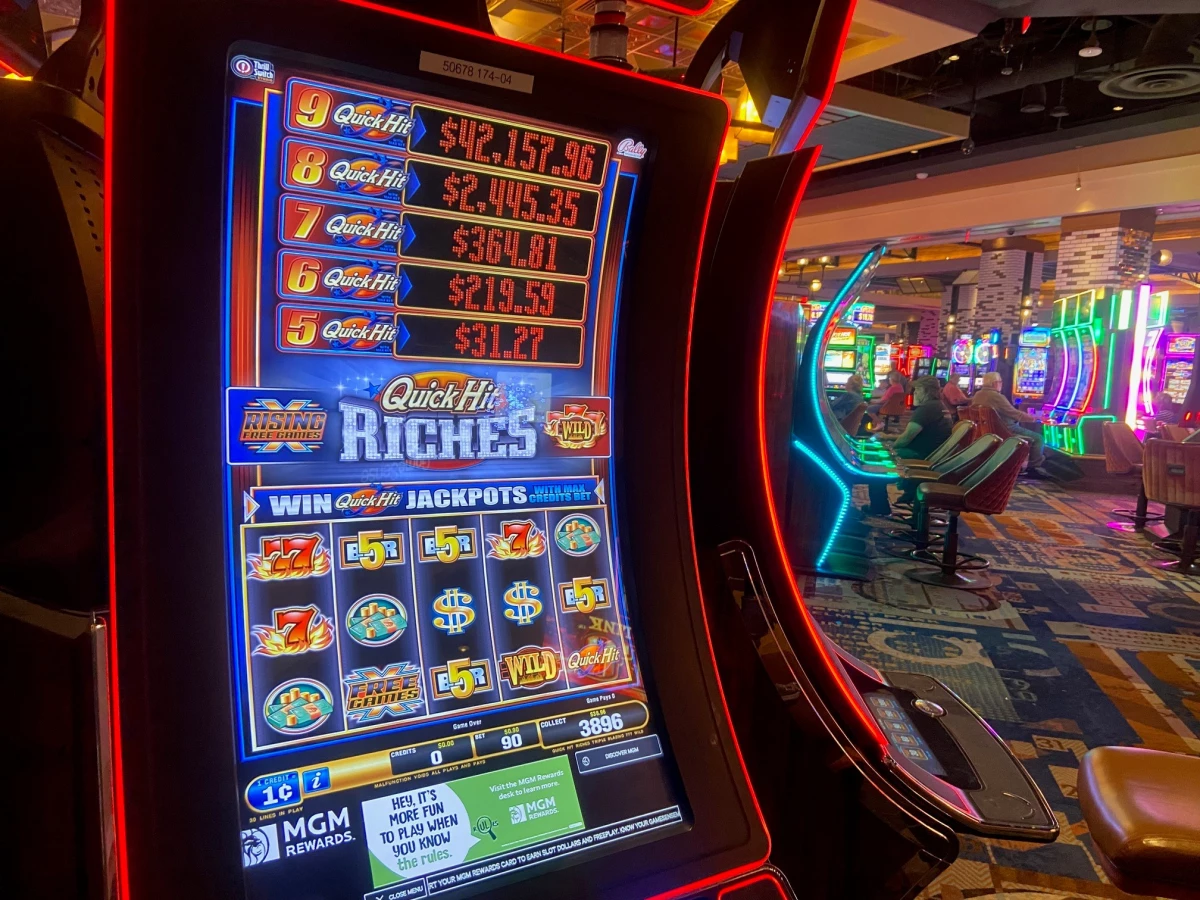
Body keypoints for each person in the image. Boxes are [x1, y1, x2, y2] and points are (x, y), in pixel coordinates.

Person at [867, 376, 953, 516]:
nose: (914, 394)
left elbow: (907, 437)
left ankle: (879, 507)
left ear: (926, 391)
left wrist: (890, 447)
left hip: (920, 456)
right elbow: (915, 434)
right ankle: (894, 499)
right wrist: (888, 437)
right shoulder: (938, 406)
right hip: (932, 455)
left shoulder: (927, 409)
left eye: (917, 390)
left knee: (877, 461)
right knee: (880, 453)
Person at [971, 371, 1048, 475]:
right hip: (1004, 429)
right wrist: (1034, 418)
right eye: (1000, 382)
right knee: (1038, 438)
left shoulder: (978, 394)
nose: (1001, 384)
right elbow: (1014, 414)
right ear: (994, 383)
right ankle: (1033, 468)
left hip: (986, 430)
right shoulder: (997, 397)